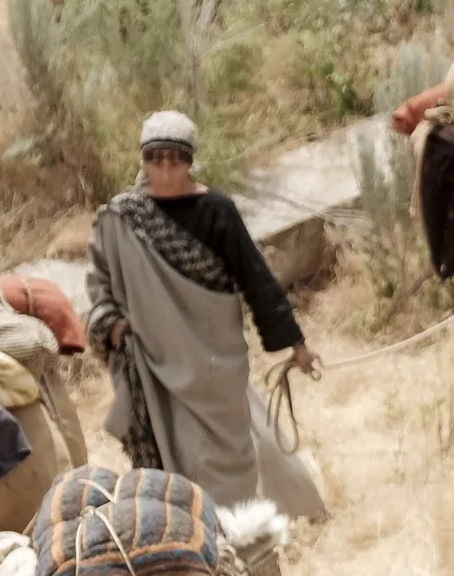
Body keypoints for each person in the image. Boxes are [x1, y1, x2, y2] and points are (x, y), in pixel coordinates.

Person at [87, 108, 318, 506]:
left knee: (226, 455)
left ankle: (238, 529)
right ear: (143, 161)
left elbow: (256, 279)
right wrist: (113, 326)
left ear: (190, 162)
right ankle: (182, 525)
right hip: (154, 360)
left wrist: (296, 344)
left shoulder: (217, 210)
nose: (165, 169)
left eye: (175, 159)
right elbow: (100, 281)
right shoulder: (122, 218)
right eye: (155, 158)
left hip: (214, 362)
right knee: (171, 448)